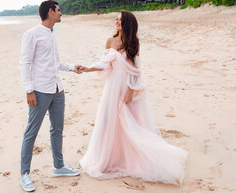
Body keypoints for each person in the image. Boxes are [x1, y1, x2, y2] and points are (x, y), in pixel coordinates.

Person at [79, 10, 188, 185]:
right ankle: (108, 159)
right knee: (108, 121)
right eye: (116, 19)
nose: (116, 22)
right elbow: (105, 64)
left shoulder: (133, 43)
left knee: (128, 122)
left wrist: (130, 91)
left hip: (125, 87)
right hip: (112, 87)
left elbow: (136, 71)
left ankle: (129, 157)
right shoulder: (110, 41)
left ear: (128, 23)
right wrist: (88, 68)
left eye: (120, 20)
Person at [19, 0, 81, 192]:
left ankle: (59, 166)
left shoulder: (53, 34)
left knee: (57, 129)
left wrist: (73, 67)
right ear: (50, 12)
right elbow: (25, 63)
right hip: (39, 91)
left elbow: (55, 62)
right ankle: (24, 174)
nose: (61, 13)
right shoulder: (32, 34)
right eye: (59, 10)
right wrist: (29, 90)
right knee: (32, 132)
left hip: (57, 90)